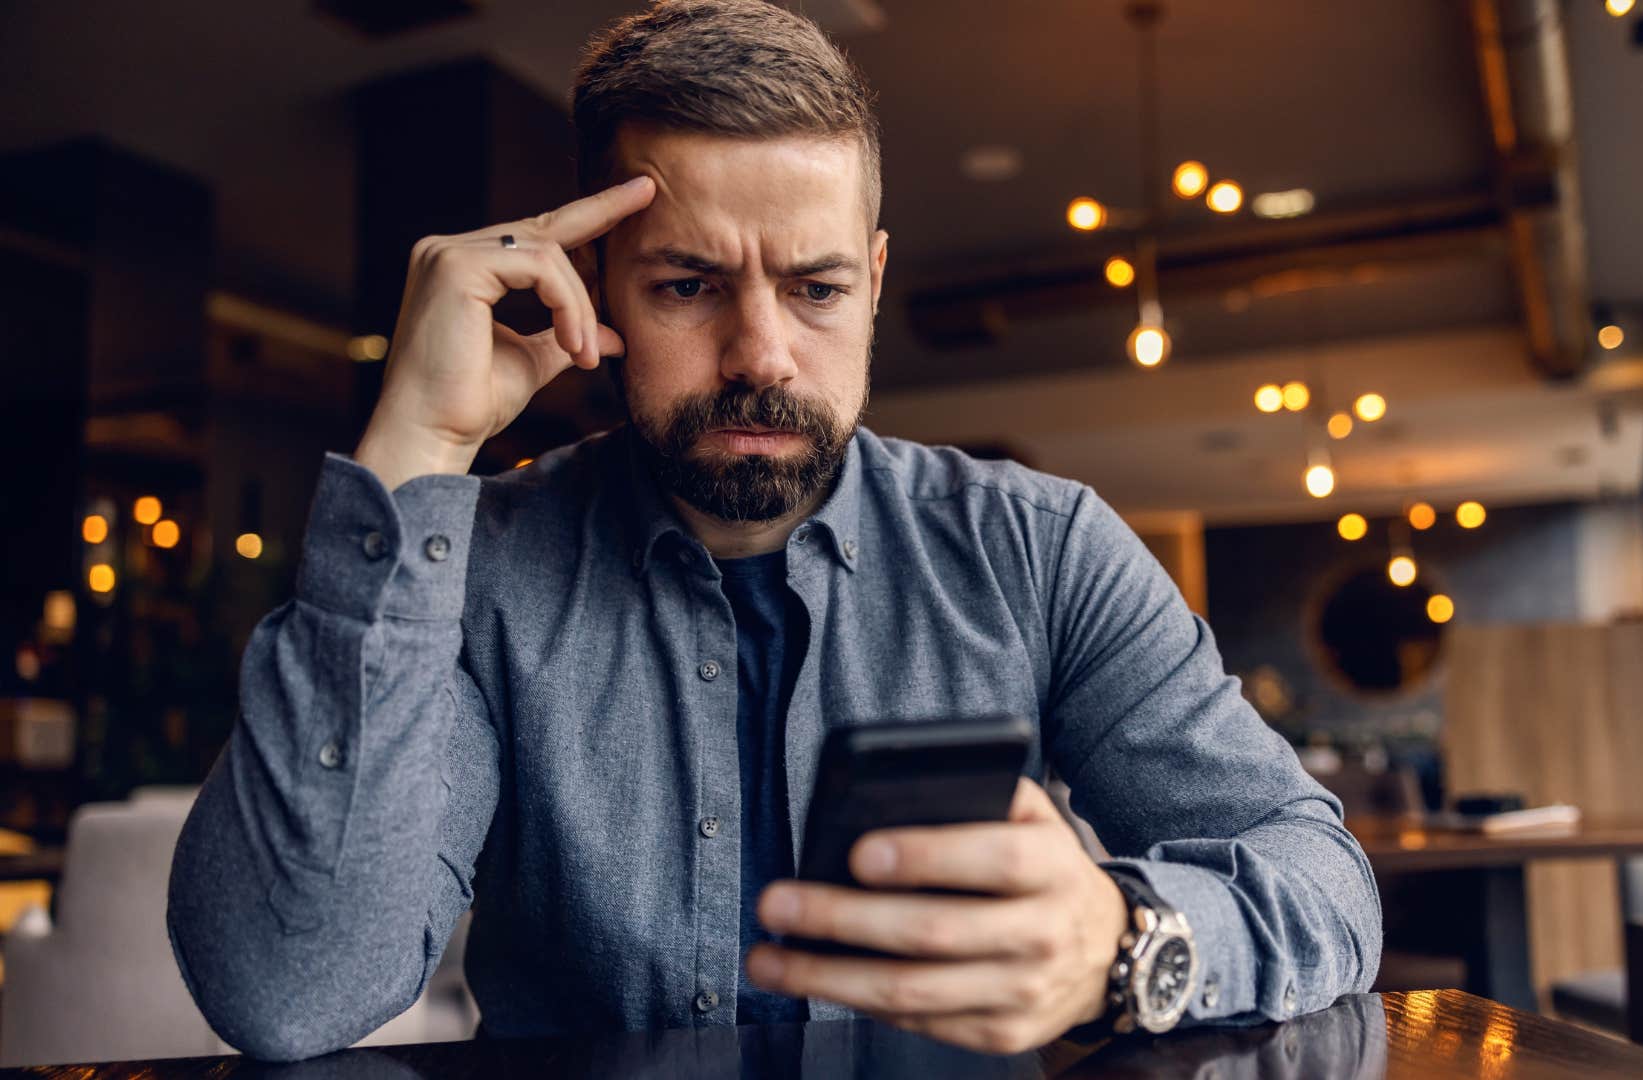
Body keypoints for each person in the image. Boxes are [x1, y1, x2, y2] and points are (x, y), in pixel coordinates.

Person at [166, 0, 1380, 1061]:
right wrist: (417, 448)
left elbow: (1326, 887)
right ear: (592, 286)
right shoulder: (482, 569)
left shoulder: (1041, 550)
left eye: (816, 287)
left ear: (877, 276)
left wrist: (1125, 944)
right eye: (688, 286)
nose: (761, 355)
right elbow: (285, 989)